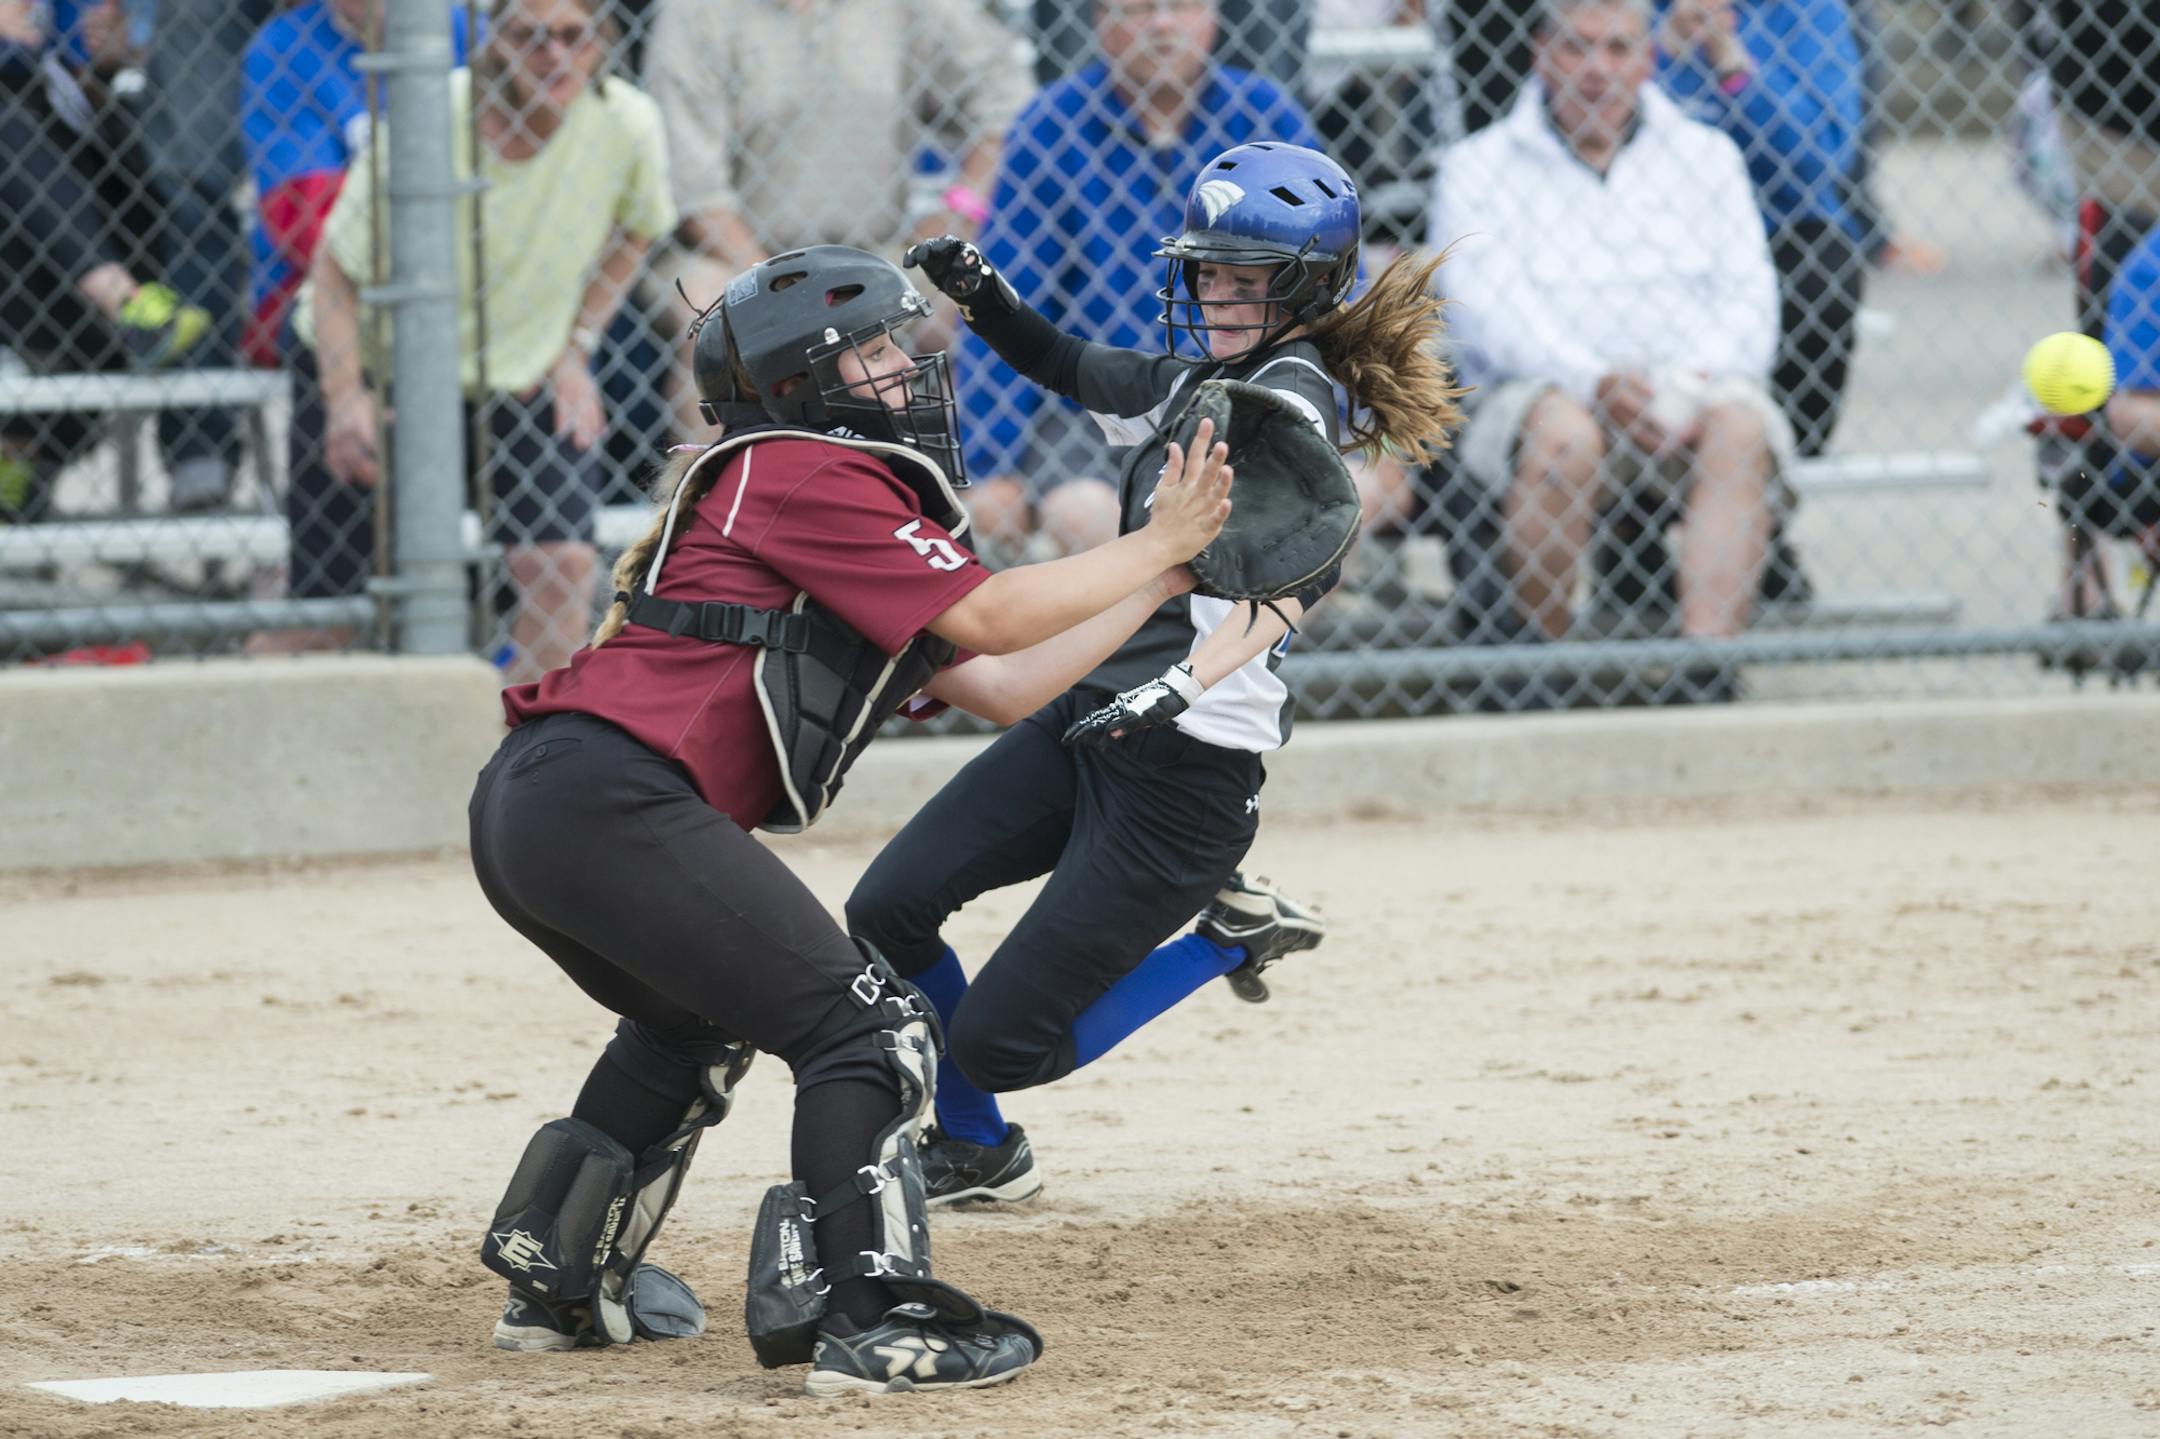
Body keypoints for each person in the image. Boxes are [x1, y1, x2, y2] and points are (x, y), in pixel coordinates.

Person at [469, 243, 1234, 1392]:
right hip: (605, 797)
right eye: (870, 350)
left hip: (552, 803)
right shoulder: (795, 467)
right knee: (868, 1028)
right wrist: (1158, 538)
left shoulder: (825, 501)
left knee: (689, 1023)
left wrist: (1175, 591)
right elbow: (994, 615)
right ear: (796, 386)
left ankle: (562, 1279)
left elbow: (1005, 682)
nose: (905, 366)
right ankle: (865, 1308)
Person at [845, 142, 1462, 1207]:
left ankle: (1228, 936)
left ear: (1310, 284)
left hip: (1188, 773)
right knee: (889, 908)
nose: (1217, 295)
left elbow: (1307, 557)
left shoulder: (1285, 408)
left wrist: (1194, 674)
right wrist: (984, 295)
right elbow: (1067, 360)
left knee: (1004, 1041)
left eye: (1246, 277)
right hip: (1089, 714)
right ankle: (979, 1149)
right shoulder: (1200, 380)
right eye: (1208, 273)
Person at [288, 0, 666, 678]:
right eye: (530, 35)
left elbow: (641, 227)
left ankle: (530, 761)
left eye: (572, 36)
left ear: (601, 39)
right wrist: (344, 396)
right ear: (495, 39)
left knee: (562, 567)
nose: (552, 54)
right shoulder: (438, 112)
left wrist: (576, 343)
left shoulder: (626, 121)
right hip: (376, 363)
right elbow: (333, 272)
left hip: (521, 367)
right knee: (332, 613)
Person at [1429, 0, 1788, 671]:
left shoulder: (1706, 156)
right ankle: (1540, 664)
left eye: (1619, 49)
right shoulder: (1478, 166)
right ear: (1541, 54)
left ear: (1649, 59)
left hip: (1685, 393)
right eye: (1576, 47)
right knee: (1566, 436)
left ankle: (1705, 669)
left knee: (1739, 429)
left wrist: (1682, 388)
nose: (1597, 69)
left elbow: (1749, 298)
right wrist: (1592, 381)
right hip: (1543, 394)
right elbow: (1487, 314)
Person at [957, 0, 1326, 562]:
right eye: (1135, 9)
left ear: (1213, 17)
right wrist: (993, 462)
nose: (1160, 26)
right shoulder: (1052, 125)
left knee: (1321, 505)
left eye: (1180, 6)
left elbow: (1330, 280)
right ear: (1100, 24)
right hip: (1093, 405)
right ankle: (1171, 642)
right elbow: (1007, 297)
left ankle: (1215, 642)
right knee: (1080, 512)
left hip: (1246, 391)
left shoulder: (1264, 117)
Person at [641, 0, 1028, 441]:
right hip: (735, 258)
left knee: (969, 306)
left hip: (879, 253)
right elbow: (698, 198)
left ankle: (937, 495)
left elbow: (1010, 104)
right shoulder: (696, 14)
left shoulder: (909, 8)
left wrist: (958, 210)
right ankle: (716, 496)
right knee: (712, 320)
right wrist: (789, 291)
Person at [0, 0, 211, 521]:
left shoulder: (62, 43)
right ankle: (125, 306)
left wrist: (123, 59)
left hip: (77, 279)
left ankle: (18, 463)